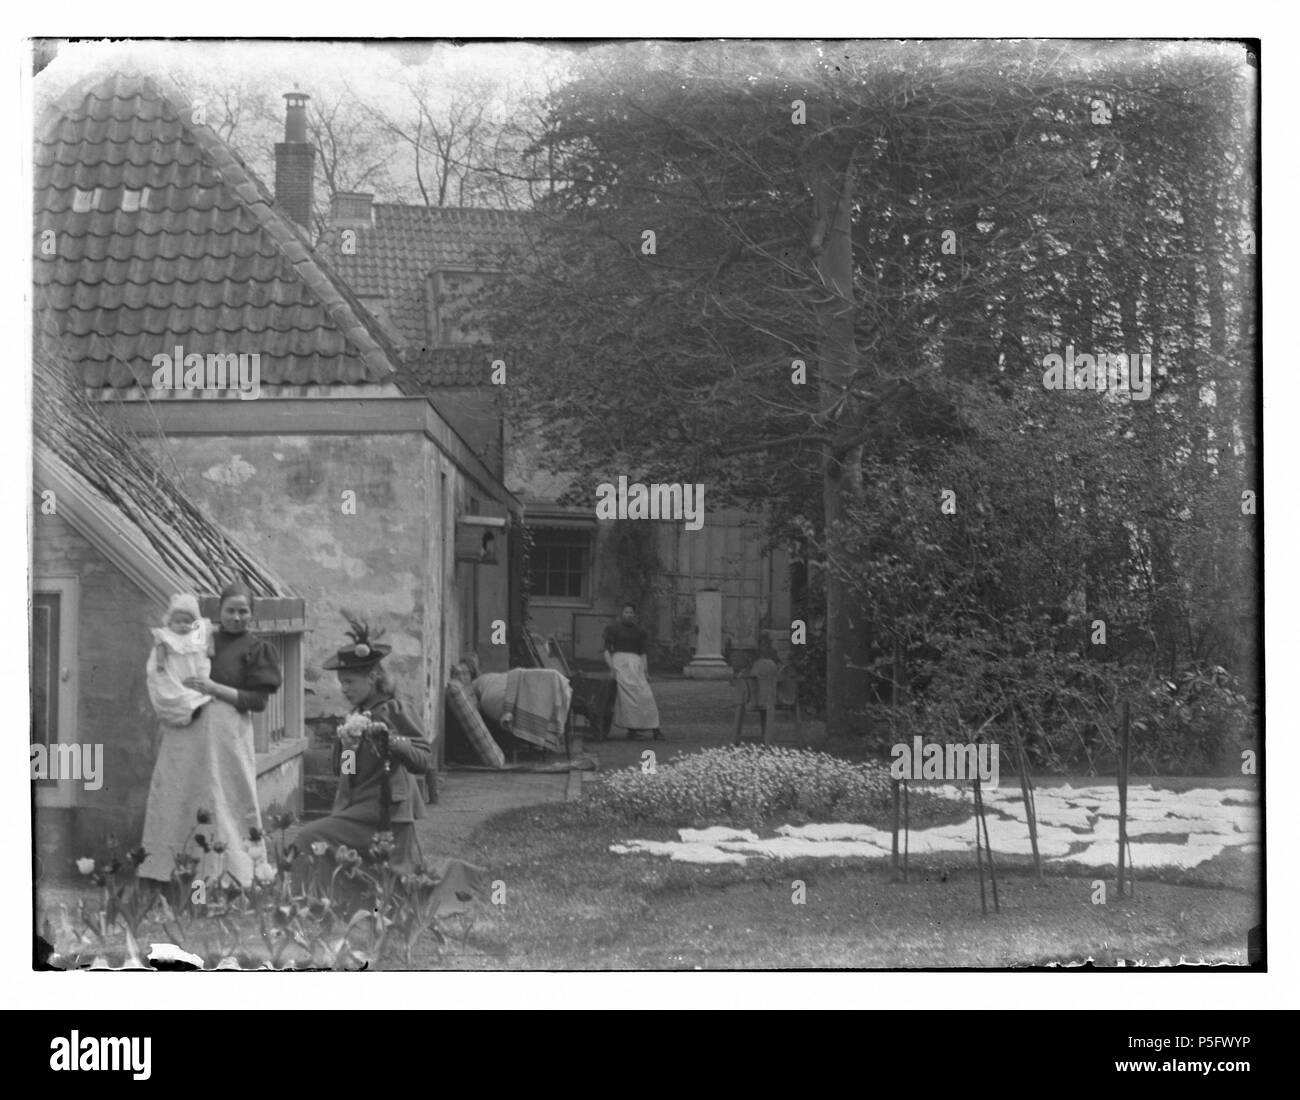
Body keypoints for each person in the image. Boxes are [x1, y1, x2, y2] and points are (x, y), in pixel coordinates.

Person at [295, 618, 486, 908]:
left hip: (388, 812)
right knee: (385, 881)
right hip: (360, 807)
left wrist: (390, 740)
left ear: (372, 677)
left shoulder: (394, 709)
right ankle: (326, 903)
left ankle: (309, 904)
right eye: (341, 683)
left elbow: (423, 760)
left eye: (349, 682)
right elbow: (346, 773)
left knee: (310, 836)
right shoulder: (356, 715)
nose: (344, 689)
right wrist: (347, 747)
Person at [138, 580, 281, 887]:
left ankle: (235, 876)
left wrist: (215, 689)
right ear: (220, 611)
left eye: (244, 611)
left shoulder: (256, 648)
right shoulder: (200, 635)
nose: (237, 617)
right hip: (188, 730)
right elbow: (173, 647)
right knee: (181, 796)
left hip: (227, 734)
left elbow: (257, 701)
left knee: (227, 798)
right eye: (231, 610)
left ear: (252, 613)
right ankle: (172, 874)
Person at [146, 593, 214, 727]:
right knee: (170, 691)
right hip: (174, 670)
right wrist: (160, 663)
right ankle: (178, 713)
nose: (183, 625)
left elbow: (208, 639)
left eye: (187, 622)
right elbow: (161, 649)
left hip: (192, 668)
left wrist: (210, 649)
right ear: (170, 622)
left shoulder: (196, 635)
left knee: (195, 689)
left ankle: (193, 708)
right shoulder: (167, 635)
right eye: (178, 622)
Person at [602, 602, 663, 741]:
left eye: (631, 612)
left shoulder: (640, 632)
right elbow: (606, 651)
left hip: (636, 666)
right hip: (620, 665)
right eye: (626, 612)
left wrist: (646, 671)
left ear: (634, 615)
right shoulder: (613, 629)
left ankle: (656, 729)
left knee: (646, 696)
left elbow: (643, 653)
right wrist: (612, 668)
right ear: (621, 614)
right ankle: (632, 730)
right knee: (628, 699)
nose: (628, 615)